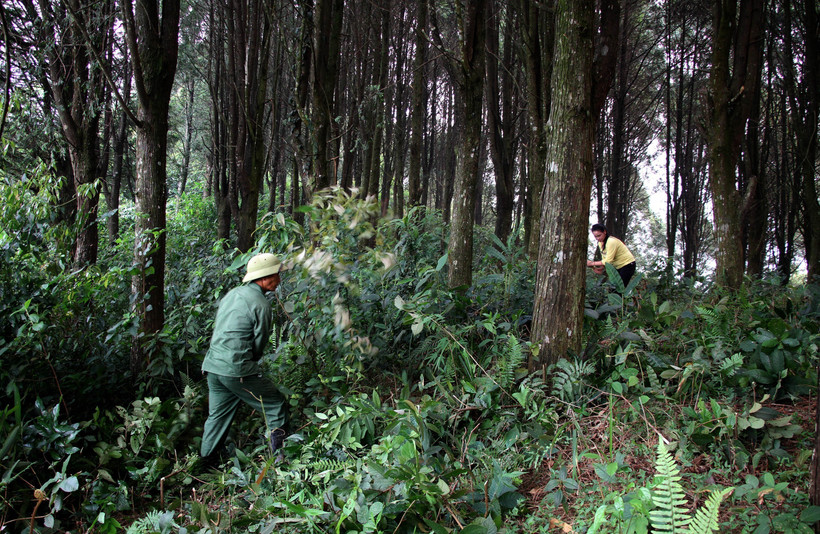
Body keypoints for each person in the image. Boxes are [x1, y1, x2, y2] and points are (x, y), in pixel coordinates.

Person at [200, 253, 289, 466]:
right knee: (275, 404)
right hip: (236, 369)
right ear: (266, 277)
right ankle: (280, 461)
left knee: (217, 417)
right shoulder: (261, 304)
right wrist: (249, 366)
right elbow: (259, 344)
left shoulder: (232, 294)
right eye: (277, 275)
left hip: (213, 367)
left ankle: (204, 465)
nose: (279, 279)